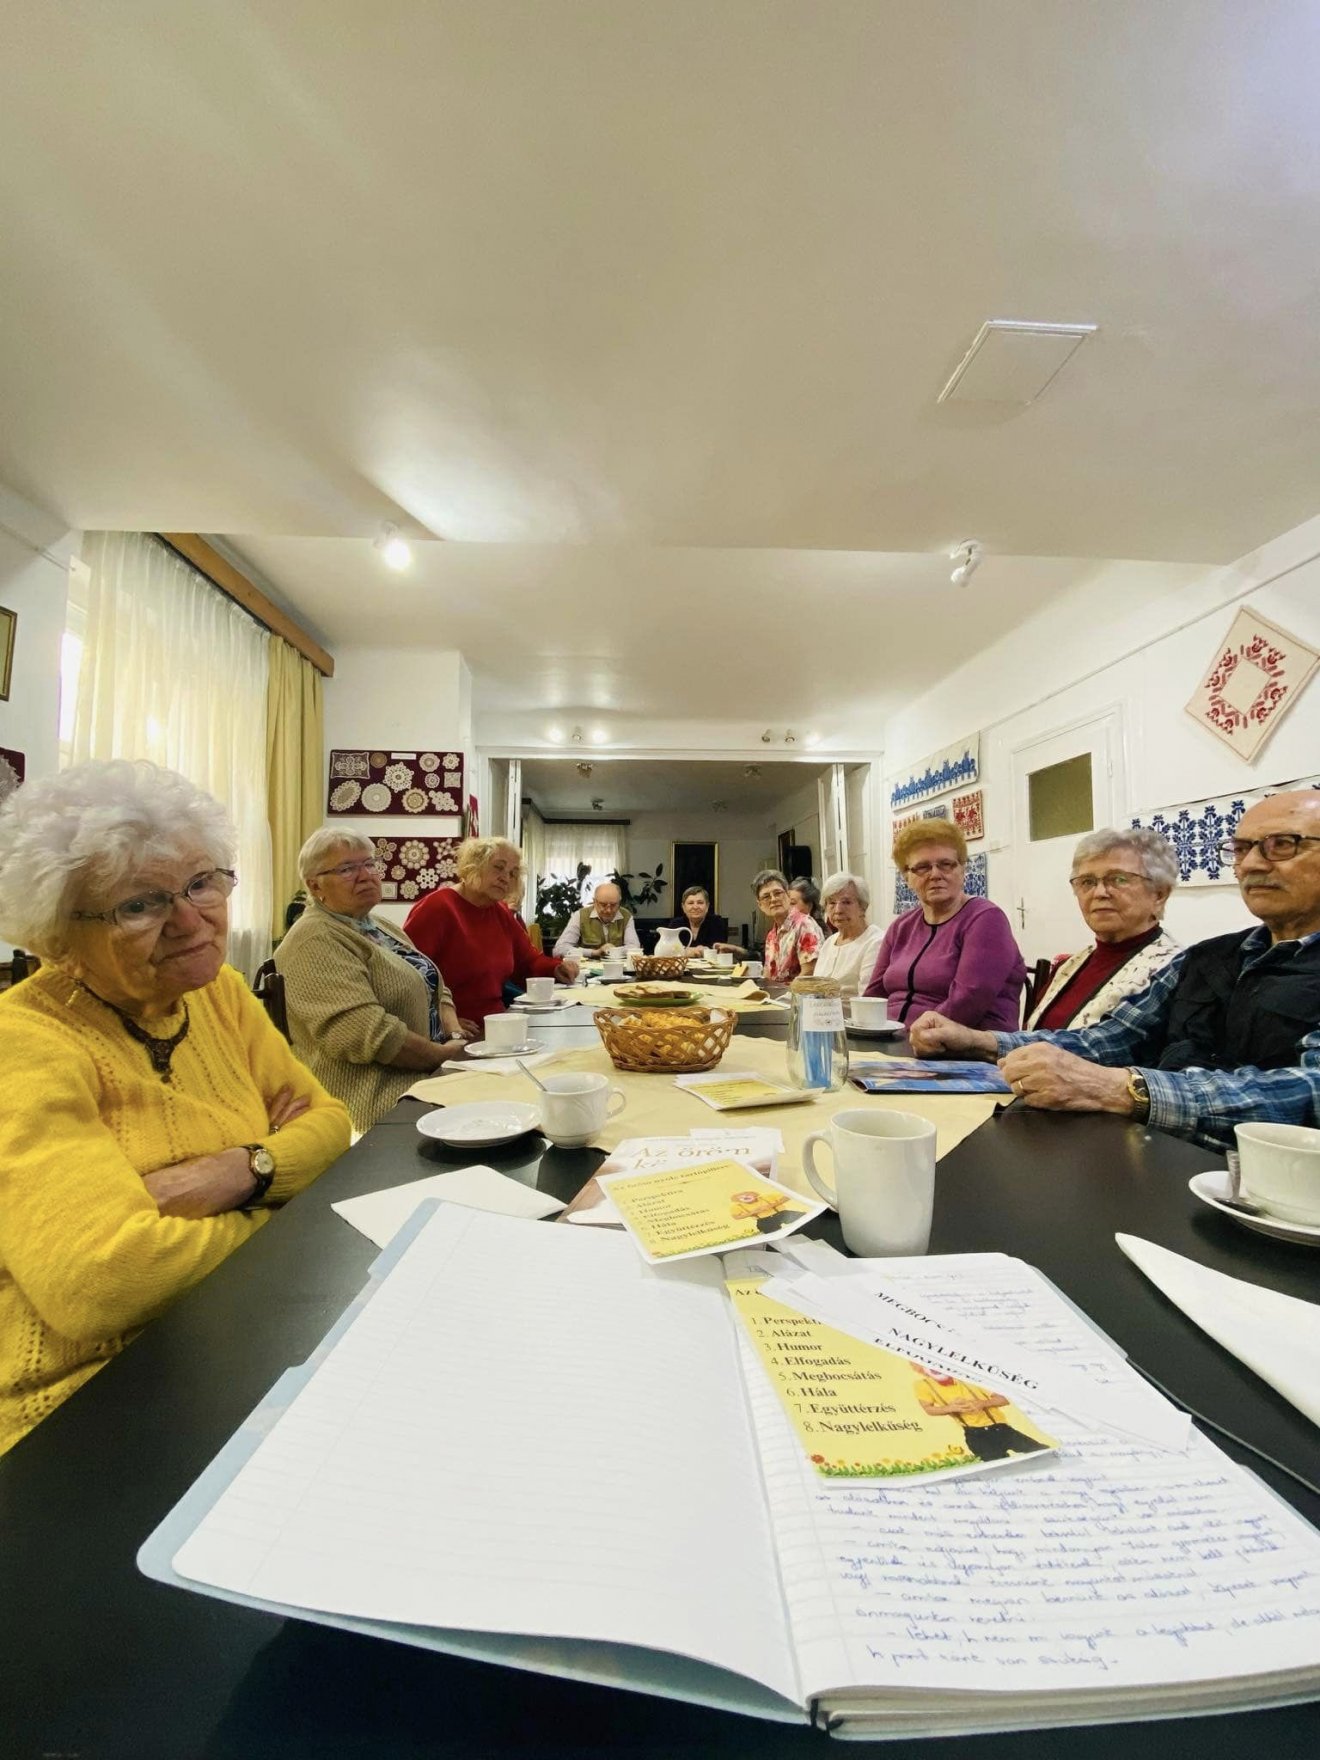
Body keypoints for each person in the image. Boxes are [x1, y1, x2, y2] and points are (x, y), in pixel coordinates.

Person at [0, 760, 350, 1455]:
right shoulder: (25, 1043)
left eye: (202, 882)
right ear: (57, 933)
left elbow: (330, 1123)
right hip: (91, 1408)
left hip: (234, 1335)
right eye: (141, 904)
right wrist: (285, 1206)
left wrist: (243, 1170)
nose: (192, 920)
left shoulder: (215, 994)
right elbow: (105, 1281)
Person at [908, 789, 1320, 1155]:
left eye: (1281, 846)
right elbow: (1113, 1037)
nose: (1251, 864)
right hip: (1158, 1162)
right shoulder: (1209, 957)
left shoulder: (1169, 956)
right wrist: (977, 1040)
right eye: (1242, 848)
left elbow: (1308, 1091)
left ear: (1159, 895)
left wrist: (1121, 1089)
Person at [275, 829, 473, 1131]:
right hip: (374, 1102)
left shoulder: (377, 925)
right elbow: (366, 1034)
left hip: (427, 1080)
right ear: (315, 886)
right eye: (347, 869)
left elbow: (436, 985)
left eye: (369, 864)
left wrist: (455, 1035)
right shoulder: (314, 938)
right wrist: (440, 1057)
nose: (365, 875)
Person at [864, 822, 1025, 1029]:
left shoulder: (986, 919)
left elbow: (967, 1004)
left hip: (961, 1047)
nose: (935, 874)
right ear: (907, 877)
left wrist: (912, 1036)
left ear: (962, 869)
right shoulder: (901, 926)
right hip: (895, 1041)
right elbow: (874, 996)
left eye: (946, 864)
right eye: (922, 867)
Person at [403, 836, 578, 1025]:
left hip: (496, 1021)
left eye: (513, 873)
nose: (505, 878)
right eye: (498, 867)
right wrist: (442, 1020)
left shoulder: (500, 912)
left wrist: (556, 969)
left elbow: (527, 961)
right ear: (474, 865)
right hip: (453, 1029)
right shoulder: (438, 907)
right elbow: (406, 978)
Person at [1026, 828, 1181, 1030]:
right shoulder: (1070, 965)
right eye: (1087, 882)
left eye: (1119, 879)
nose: (1099, 893)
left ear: (1159, 895)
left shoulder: (1174, 969)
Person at [813, 873, 884, 999]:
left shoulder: (875, 942)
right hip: (820, 1015)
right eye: (832, 903)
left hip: (853, 1017)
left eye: (846, 902)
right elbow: (815, 991)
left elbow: (867, 999)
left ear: (863, 907)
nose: (838, 910)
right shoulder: (829, 942)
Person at [752, 868, 823, 982]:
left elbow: (809, 973)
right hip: (775, 997)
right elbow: (768, 975)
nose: (773, 899)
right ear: (760, 905)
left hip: (798, 997)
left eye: (778, 893)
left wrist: (786, 995)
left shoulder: (804, 925)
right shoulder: (771, 935)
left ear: (788, 895)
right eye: (766, 897)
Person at [552, 880, 641, 958]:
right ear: (594, 901)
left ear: (619, 902)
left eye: (613, 905)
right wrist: (594, 952)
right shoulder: (580, 915)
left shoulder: (626, 916)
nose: (608, 910)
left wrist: (613, 951)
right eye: (603, 904)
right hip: (586, 970)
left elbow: (634, 948)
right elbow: (559, 949)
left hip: (618, 968)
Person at [666, 884, 728, 951]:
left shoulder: (717, 922)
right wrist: (694, 951)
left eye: (700, 903)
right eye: (690, 903)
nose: (695, 907)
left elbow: (718, 950)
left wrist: (685, 950)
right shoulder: (676, 924)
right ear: (683, 907)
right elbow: (668, 949)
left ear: (707, 906)